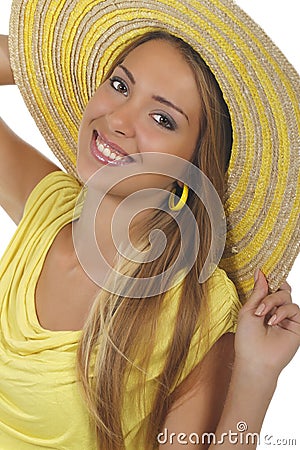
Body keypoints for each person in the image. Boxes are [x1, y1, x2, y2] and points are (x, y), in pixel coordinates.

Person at [0, 1, 299, 449]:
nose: (117, 120)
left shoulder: (197, 308)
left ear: (194, 162)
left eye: (162, 118)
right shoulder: (49, 206)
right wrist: (43, 62)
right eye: (120, 85)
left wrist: (256, 378)